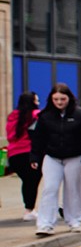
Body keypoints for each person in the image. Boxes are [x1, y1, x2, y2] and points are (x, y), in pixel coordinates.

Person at [30, 83, 81, 236]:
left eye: (62, 99)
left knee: (73, 188)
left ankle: (74, 220)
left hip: (75, 157)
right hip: (52, 157)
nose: (59, 102)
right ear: (51, 99)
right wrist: (34, 157)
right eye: (56, 99)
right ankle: (45, 224)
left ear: (69, 98)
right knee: (49, 188)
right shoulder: (45, 116)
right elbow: (38, 139)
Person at [6, 92, 42, 220]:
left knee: (26, 181)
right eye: (36, 100)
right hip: (29, 153)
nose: (38, 103)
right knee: (32, 182)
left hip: (14, 155)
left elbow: (10, 136)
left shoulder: (12, 116)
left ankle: (29, 209)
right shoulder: (35, 115)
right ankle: (29, 210)